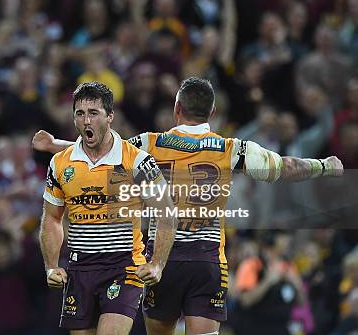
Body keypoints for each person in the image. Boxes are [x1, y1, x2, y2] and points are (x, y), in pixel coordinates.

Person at [34, 77, 344, 335]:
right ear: (212, 112)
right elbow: (285, 166)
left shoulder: (148, 143)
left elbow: (104, 151)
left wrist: (56, 146)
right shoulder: (231, 149)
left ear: (176, 108)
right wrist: (324, 165)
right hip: (206, 260)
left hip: (161, 259)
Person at [39, 81, 177, 334]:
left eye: (93, 113)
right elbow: (51, 219)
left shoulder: (136, 161)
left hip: (123, 265)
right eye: (80, 114)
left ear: (110, 116)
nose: (86, 121)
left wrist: (157, 263)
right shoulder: (60, 163)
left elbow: (166, 213)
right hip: (79, 268)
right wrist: (51, 266)